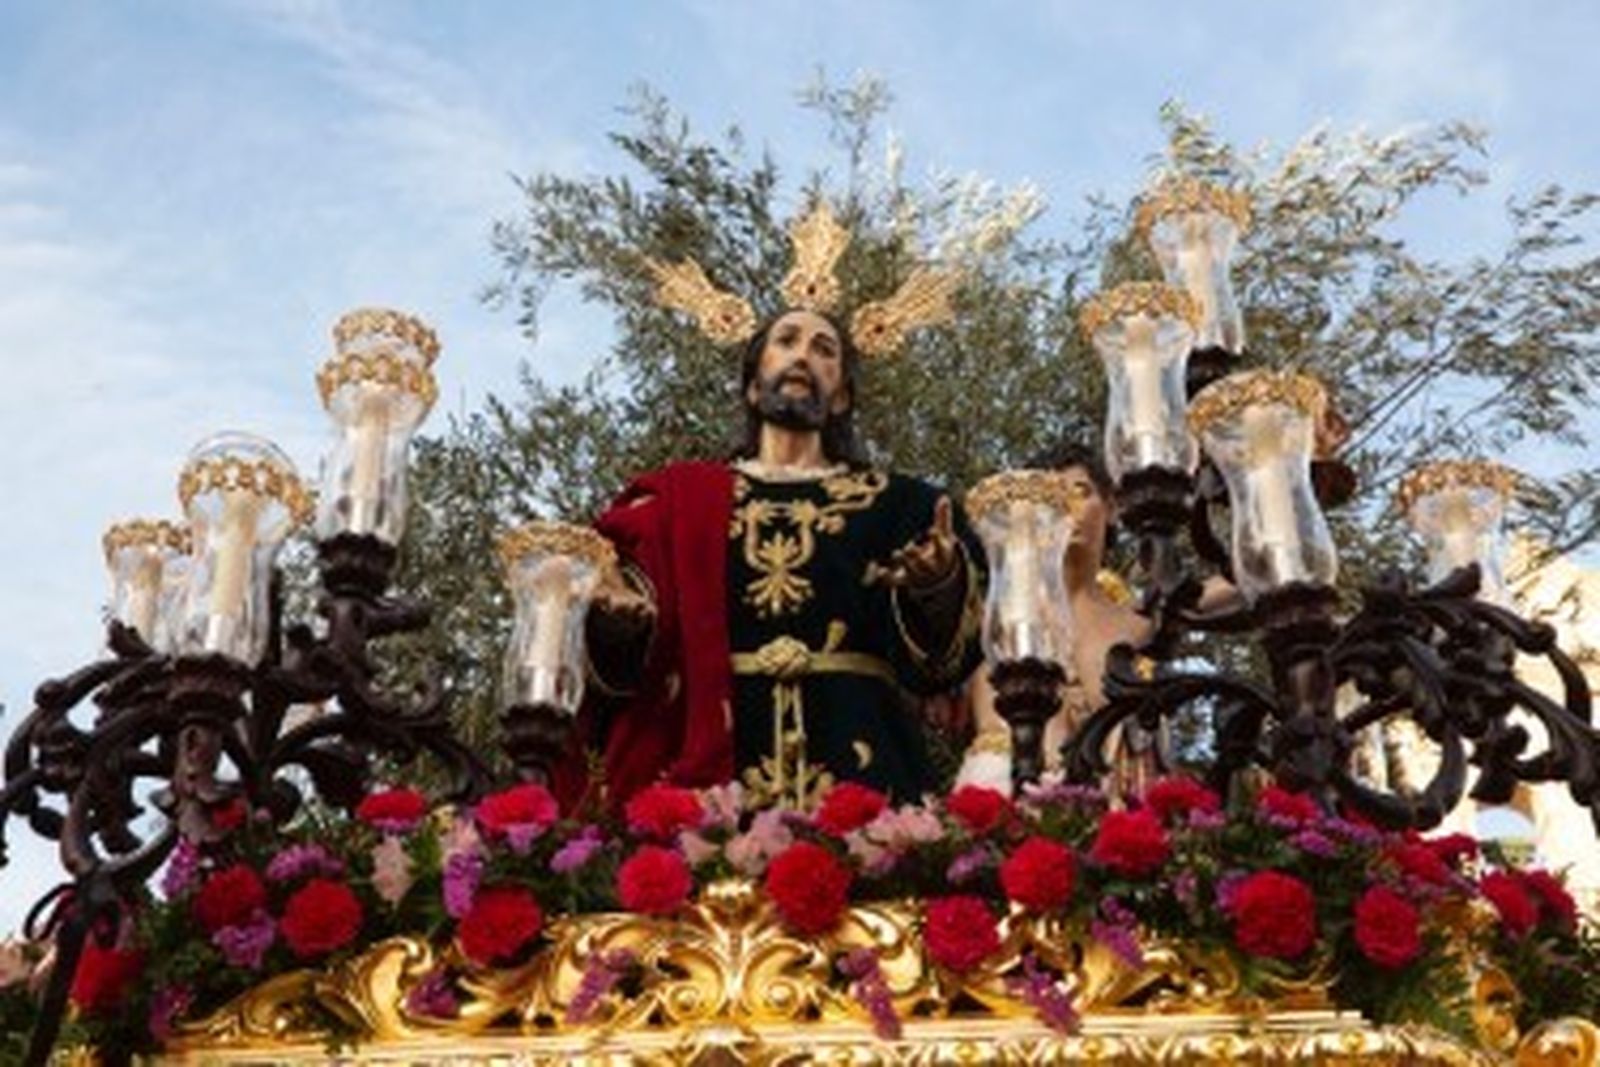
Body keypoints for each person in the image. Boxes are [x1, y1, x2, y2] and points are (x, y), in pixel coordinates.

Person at [574, 206, 984, 809]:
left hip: (864, 769)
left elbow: (939, 668)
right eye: (785, 341)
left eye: (824, 350)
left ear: (841, 394)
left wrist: (939, 587)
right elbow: (628, 639)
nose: (802, 356)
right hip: (712, 768)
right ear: (752, 380)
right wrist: (613, 622)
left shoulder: (904, 504)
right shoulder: (676, 503)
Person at [955, 441, 1157, 796]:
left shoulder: (1142, 625)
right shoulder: (1003, 627)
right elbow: (993, 755)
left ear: (1110, 507)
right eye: (1050, 500)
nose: (1067, 508)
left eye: (1081, 492)